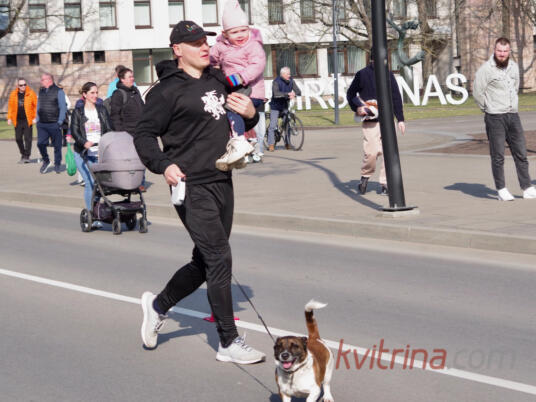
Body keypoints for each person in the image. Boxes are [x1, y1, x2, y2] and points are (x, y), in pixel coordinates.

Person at [134, 20, 265, 364]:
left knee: (205, 261)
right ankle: (228, 341)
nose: (204, 47)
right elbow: (143, 135)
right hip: (190, 185)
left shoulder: (217, 79)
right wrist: (163, 165)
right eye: (195, 44)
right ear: (177, 50)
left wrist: (252, 114)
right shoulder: (164, 92)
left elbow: (241, 118)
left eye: (205, 42)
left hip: (223, 180)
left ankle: (158, 306)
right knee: (219, 257)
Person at [473, 37, 536, 201]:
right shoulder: (485, 70)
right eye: (499, 51)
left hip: (513, 115)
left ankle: (527, 187)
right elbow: (478, 92)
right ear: (494, 50)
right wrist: (488, 108)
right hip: (495, 117)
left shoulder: (513, 67)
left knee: (521, 152)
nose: (502, 54)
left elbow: (514, 87)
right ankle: (501, 189)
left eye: (505, 51)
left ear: (509, 51)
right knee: (498, 155)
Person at [209, 0, 266, 170]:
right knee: (224, 114)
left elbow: (257, 65)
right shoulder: (220, 46)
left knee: (231, 110)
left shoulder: (253, 46)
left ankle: (239, 142)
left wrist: (240, 78)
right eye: (234, 32)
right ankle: (237, 152)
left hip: (251, 90)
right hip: (233, 89)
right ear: (225, 34)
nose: (240, 35)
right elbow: (210, 59)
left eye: (244, 30)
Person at [346, 58, 405, 196]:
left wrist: (400, 119)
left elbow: (396, 96)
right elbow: (350, 94)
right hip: (370, 121)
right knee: (371, 153)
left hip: (388, 120)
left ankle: (385, 183)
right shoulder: (362, 74)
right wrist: (358, 107)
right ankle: (365, 176)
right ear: (372, 59)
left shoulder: (388, 74)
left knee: (388, 153)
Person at [70, 82, 113, 228]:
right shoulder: (78, 112)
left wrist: (106, 143)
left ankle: (97, 210)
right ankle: (91, 215)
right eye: (92, 93)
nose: (95, 95)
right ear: (85, 94)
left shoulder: (101, 110)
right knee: (89, 183)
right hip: (83, 153)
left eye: (96, 92)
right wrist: (84, 142)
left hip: (99, 153)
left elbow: (109, 128)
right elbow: (75, 131)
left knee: (99, 184)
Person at [110, 67, 146, 190]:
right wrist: (121, 134)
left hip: (140, 132)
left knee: (142, 158)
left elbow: (143, 109)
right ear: (122, 79)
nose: (132, 79)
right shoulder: (118, 94)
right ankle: (131, 183)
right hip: (127, 134)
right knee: (130, 160)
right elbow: (115, 116)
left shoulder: (135, 92)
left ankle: (140, 182)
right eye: (129, 77)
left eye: (132, 76)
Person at [36, 73, 67, 174]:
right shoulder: (41, 91)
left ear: (49, 80)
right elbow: (38, 106)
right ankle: (46, 160)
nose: (41, 81)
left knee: (57, 146)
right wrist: (37, 119)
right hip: (42, 124)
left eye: (42, 79)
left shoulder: (59, 91)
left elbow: (63, 107)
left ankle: (57, 164)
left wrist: (60, 122)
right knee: (40, 144)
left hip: (54, 123)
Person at [267, 66, 301, 152]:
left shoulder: (291, 81)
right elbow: (276, 94)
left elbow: (298, 91)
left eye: (290, 74)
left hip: (285, 106)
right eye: (288, 74)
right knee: (272, 125)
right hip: (275, 106)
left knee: (287, 124)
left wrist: (295, 94)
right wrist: (288, 94)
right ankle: (271, 144)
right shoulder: (276, 81)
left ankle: (287, 143)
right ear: (282, 74)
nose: (290, 75)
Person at [7, 77, 37, 163]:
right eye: (21, 85)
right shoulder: (13, 94)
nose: (23, 86)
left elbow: (36, 106)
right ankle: (23, 153)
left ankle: (27, 156)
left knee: (28, 139)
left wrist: (35, 117)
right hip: (17, 120)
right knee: (18, 138)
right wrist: (9, 118)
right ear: (18, 86)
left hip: (28, 120)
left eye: (24, 84)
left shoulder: (31, 93)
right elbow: (10, 107)